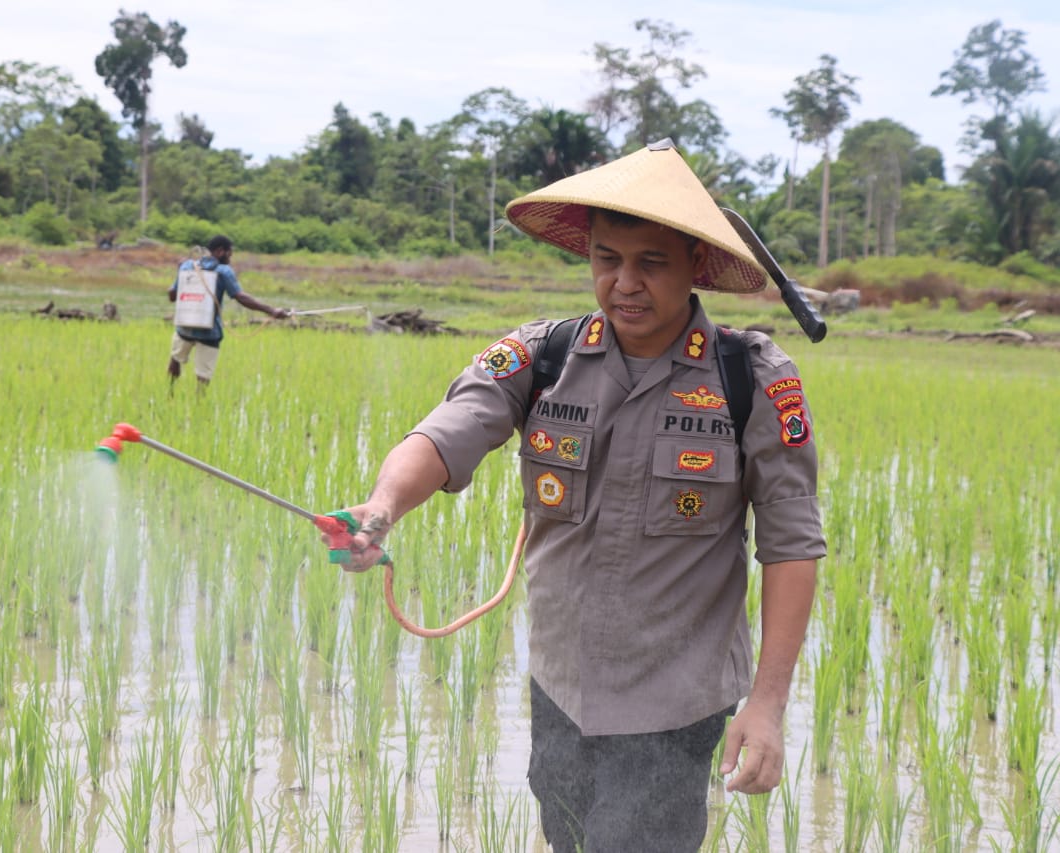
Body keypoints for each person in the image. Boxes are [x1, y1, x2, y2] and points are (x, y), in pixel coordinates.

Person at [330, 141, 825, 851]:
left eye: (651, 262)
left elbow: (792, 544)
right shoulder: (543, 357)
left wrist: (769, 705)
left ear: (696, 267)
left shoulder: (751, 380)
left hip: (672, 706)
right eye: (606, 259)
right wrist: (382, 508)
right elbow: (444, 435)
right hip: (560, 689)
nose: (624, 282)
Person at [167, 235, 290, 388]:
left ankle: (169, 396)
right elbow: (241, 297)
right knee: (203, 376)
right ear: (220, 251)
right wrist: (271, 310)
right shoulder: (223, 271)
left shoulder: (186, 266)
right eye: (229, 255)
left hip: (184, 327)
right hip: (209, 332)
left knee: (175, 359)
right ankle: (199, 406)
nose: (230, 259)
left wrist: (180, 274)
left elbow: (172, 296)